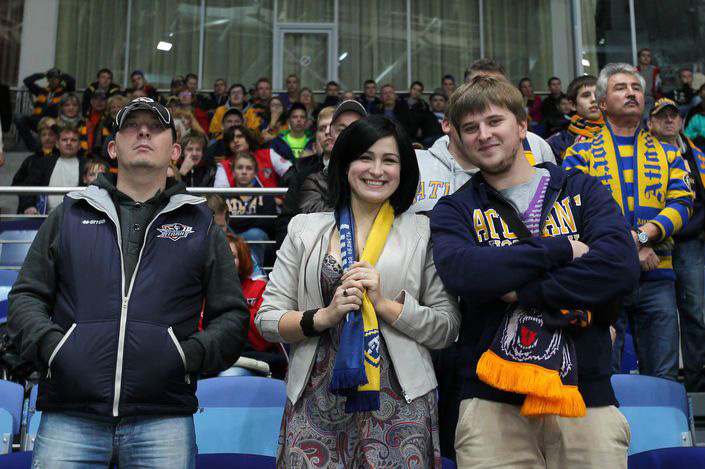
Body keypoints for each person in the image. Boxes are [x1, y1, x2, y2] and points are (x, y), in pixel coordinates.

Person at [8, 97, 250, 468]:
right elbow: (26, 297)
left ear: (175, 151)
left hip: (164, 416)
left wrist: (185, 357)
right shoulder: (70, 214)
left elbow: (232, 316)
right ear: (112, 147)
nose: (143, 132)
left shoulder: (200, 223)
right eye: (132, 126)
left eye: (155, 127)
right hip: (69, 413)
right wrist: (56, 349)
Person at [431, 75, 639, 468]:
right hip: (491, 405)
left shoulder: (582, 190)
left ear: (522, 125)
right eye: (470, 128)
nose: (484, 135)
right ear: (457, 139)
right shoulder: (454, 209)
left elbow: (619, 266)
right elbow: (465, 273)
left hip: (584, 397)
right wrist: (561, 249)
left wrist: (520, 290)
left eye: (495, 121)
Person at [256, 115, 460, 468]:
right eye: (365, 157)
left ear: (403, 170)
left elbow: (447, 327)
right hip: (315, 400)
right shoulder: (304, 229)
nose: (376, 170)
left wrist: (384, 304)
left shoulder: (423, 232)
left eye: (389, 160)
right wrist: (324, 316)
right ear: (345, 163)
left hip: (402, 403)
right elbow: (266, 319)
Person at [563, 63, 694, 381]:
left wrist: (643, 237)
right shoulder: (579, 153)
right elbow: (575, 211)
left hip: (657, 276)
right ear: (602, 103)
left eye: (636, 88)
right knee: (600, 377)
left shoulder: (669, 154)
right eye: (620, 88)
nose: (631, 93)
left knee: (663, 376)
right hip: (603, 277)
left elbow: (682, 204)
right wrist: (628, 248)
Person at [647, 97, 705, 391]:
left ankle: (697, 384)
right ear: (650, 123)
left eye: (673, 116)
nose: (669, 120)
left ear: (682, 122)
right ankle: (662, 389)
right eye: (662, 117)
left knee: (695, 312)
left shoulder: (698, 155)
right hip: (654, 245)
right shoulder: (644, 155)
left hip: (690, 243)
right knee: (661, 316)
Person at [275, 106, 336, 247]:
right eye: (322, 128)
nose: (327, 132)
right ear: (316, 137)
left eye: (333, 127)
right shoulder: (303, 171)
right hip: (305, 247)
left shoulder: (357, 169)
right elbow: (286, 219)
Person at [296, 100, 367, 215]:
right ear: (333, 135)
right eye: (342, 129)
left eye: (355, 128)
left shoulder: (378, 172)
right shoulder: (314, 181)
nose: (348, 134)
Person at [221, 152, 277, 265]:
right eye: (240, 167)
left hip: (259, 240)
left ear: (255, 172)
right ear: (233, 171)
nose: (244, 172)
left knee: (255, 234)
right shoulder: (224, 195)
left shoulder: (266, 194)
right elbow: (222, 222)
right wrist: (250, 220)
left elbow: (268, 223)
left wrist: (239, 224)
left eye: (249, 168)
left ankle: (254, 273)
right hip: (231, 237)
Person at [19, 124, 85, 215]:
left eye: (73, 140)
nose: (69, 143)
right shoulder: (44, 163)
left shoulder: (87, 165)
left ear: (80, 145)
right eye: (64, 140)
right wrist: (28, 205)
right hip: (44, 216)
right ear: (57, 144)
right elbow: (29, 186)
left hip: (77, 217)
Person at [15, 68, 76, 152]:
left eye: (56, 78)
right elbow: (27, 81)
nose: (53, 80)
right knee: (18, 117)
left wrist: (62, 74)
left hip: (56, 122)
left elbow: (71, 81)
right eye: (50, 77)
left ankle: (56, 148)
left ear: (60, 79)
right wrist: (43, 74)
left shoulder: (65, 91)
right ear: (47, 79)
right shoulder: (41, 91)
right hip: (39, 121)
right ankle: (34, 147)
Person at [546, 75, 605, 163]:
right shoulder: (556, 143)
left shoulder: (618, 134)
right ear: (573, 105)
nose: (593, 99)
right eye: (586, 95)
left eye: (597, 95)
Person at [214, 125, 292, 189]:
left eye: (239, 136)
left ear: (248, 139)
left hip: (273, 202)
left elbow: (291, 173)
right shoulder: (224, 165)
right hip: (237, 203)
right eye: (231, 139)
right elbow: (220, 193)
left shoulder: (268, 154)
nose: (235, 141)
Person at [12, 117, 59, 188]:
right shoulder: (30, 160)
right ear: (40, 138)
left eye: (51, 134)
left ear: (57, 137)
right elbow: (16, 184)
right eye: (44, 135)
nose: (47, 138)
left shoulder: (62, 158)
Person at [636, 48, 662, 120]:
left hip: (649, 98)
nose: (646, 58)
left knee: (646, 117)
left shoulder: (655, 71)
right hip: (636, 98)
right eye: (643, 55)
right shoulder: (634, 71)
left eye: (648, 56)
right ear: (639, 58)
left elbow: (659, 87)